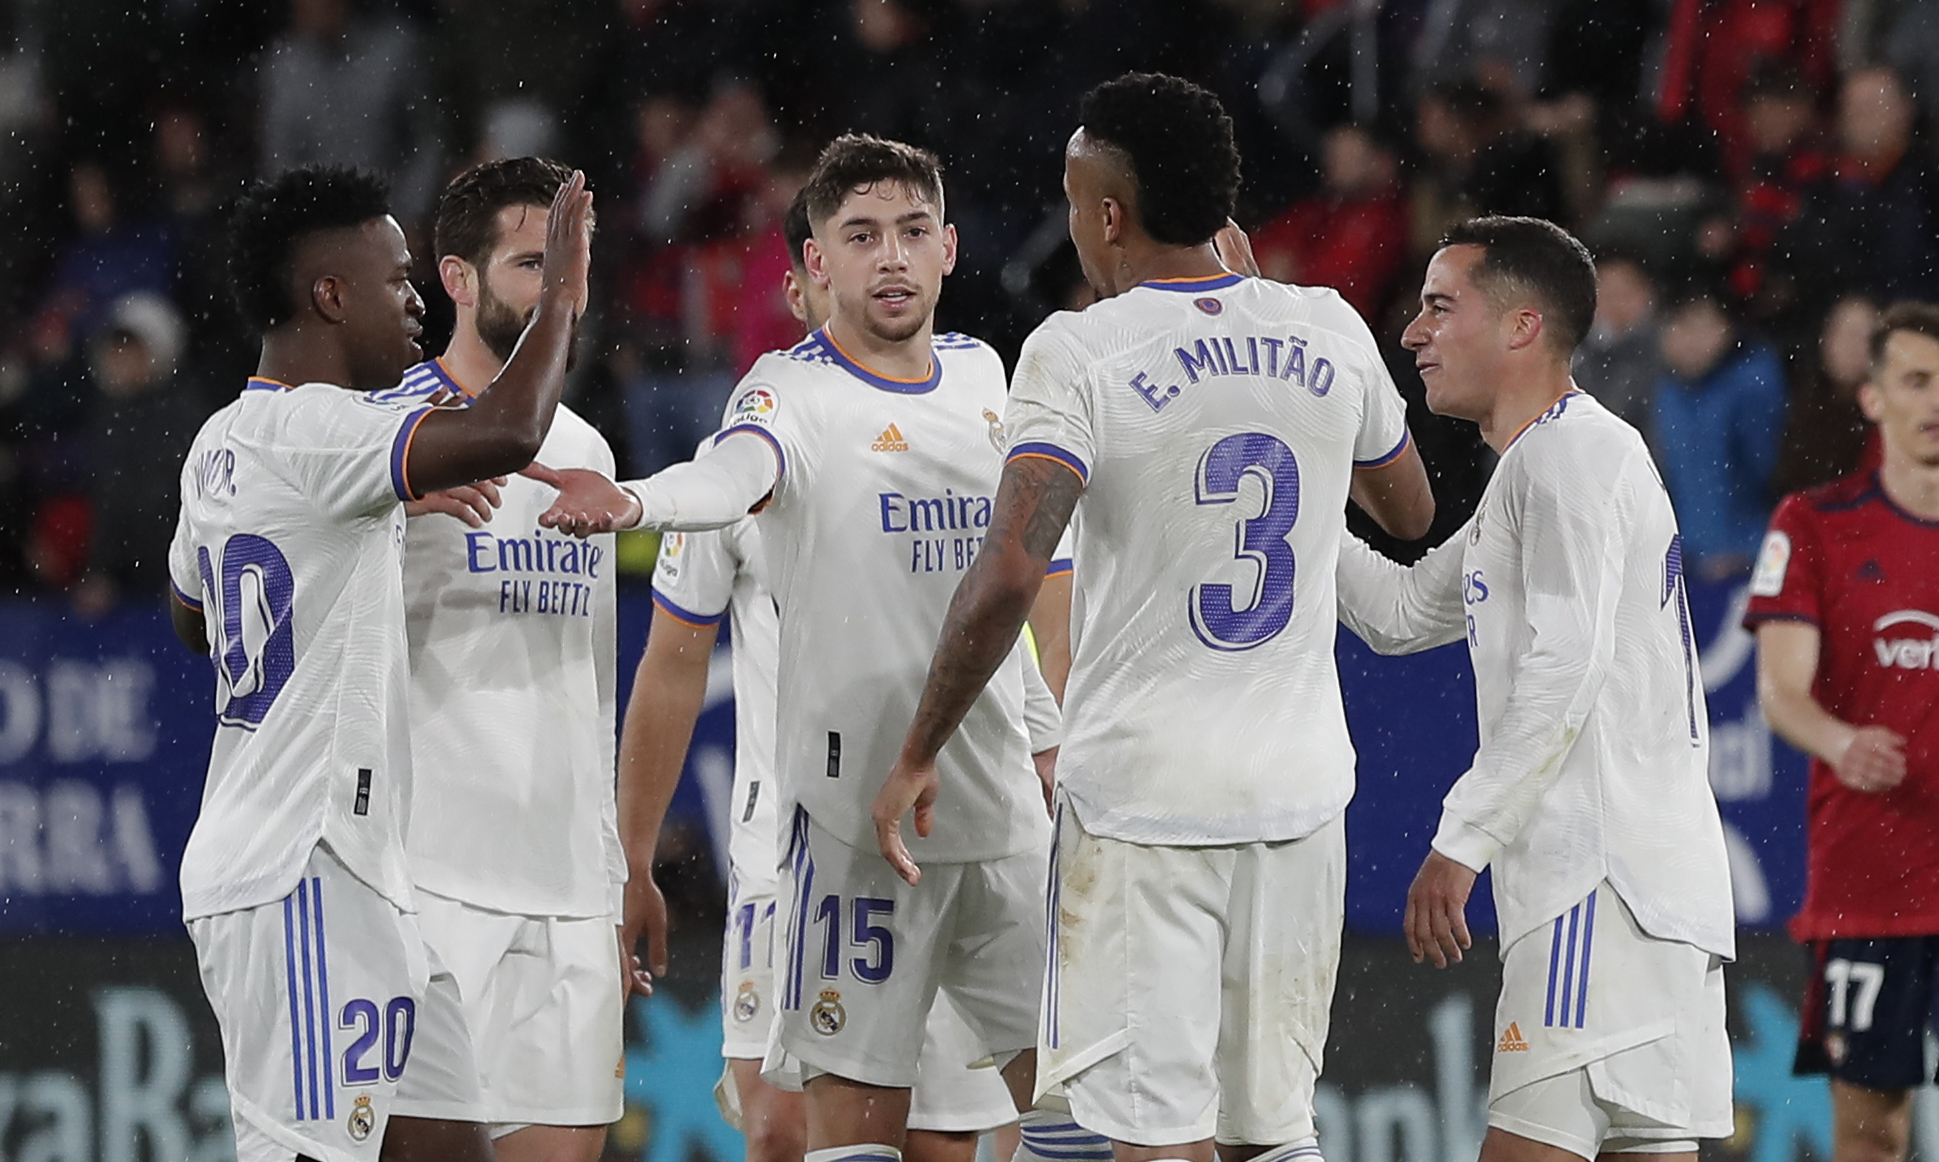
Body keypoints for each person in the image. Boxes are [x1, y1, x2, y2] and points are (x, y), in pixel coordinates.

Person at [871, 73, 1434, 1162]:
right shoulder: (1325, 325)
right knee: (1271, 1133)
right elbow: (1407, 508)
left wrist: (919, 744)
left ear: (1110, 215)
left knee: (1151, 1138)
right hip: (1300, 797)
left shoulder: (1078, 353)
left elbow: (1006, 575)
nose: (1075, 223)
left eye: (1077, 202)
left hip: (1145, 805)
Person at [531, 134, 1063, 1162]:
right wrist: (639, 500)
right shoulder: (786, 392)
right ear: (815, 267)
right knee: (806, 1131)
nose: (892, 257)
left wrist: (1048, 734)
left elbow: (1009, 590)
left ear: (950, 248)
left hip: (1000, 821)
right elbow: (731, 476)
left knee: (1075, 1118)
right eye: (861, 237)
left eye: (912, 232)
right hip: (850, 833)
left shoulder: (986, 378)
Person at [165, 163, 590, 1162]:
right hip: (298, 865)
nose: (412, 302)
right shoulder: (321, 428)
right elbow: (509, 428)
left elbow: (194, 616)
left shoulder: (222, 442)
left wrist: (364, 504)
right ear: (328, 294)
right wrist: (562, 292)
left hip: (358, 870)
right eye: (395, 280)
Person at [1334, 216, 1735, 1162]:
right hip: (1649, 903)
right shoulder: (1540, 467)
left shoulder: (1568, 459)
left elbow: (1565, 664)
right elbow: (1396, 613)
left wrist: (1460, 839)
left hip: (1597, 896)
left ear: (1521, 326)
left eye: (1439, 306)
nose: (1412, 333)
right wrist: (1298, 491)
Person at [386, 156, 624, 1162]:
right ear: (457, 278)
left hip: (569, 886)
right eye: (535, 264)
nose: (559, 291)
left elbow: (595, 673)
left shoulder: (589, 452)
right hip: (428, 881)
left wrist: (611, 879)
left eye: (570, 263)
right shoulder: (388, 435)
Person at [1745, 301, 1939, 1162]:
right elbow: (1779, 691)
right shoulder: (1814, 525)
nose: (1935, 399)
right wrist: (1839, 741)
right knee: (1871, 1132)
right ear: (1871, 398)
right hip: (1872, 883)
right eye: (1915, 379)